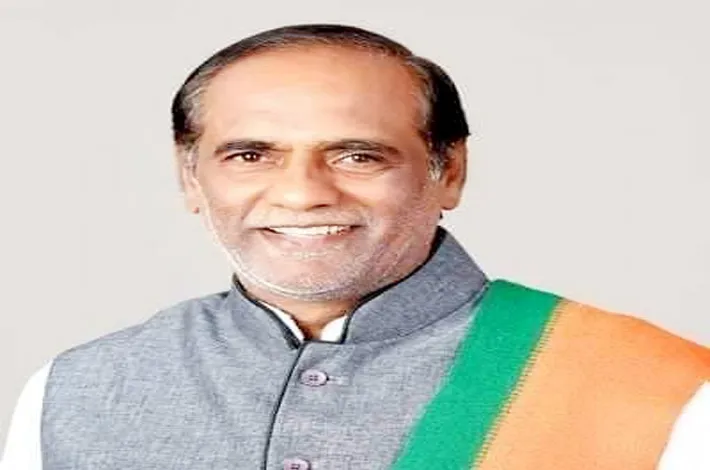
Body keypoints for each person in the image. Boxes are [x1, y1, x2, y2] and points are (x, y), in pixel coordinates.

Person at [1, 24, 708, 470]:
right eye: (250, 155)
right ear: (191, 177)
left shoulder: (665, 390)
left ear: (449, 171)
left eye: (357, 156)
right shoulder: (74, 392)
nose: (302, 193)